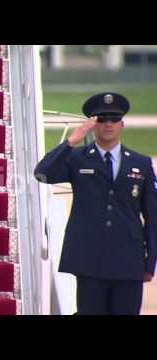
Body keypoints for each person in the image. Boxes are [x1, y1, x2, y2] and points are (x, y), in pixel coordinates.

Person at [34, 92, 157, 315]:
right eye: (101, 119)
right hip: (90, 260)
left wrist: (150, 263)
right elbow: (42, 173)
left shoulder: (141, 163)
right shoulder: (77, 158)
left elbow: (152, 217)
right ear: (92, 124)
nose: (108, 124)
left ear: (122, 123)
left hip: (128, 260)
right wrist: (72, 140)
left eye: (113, 119)